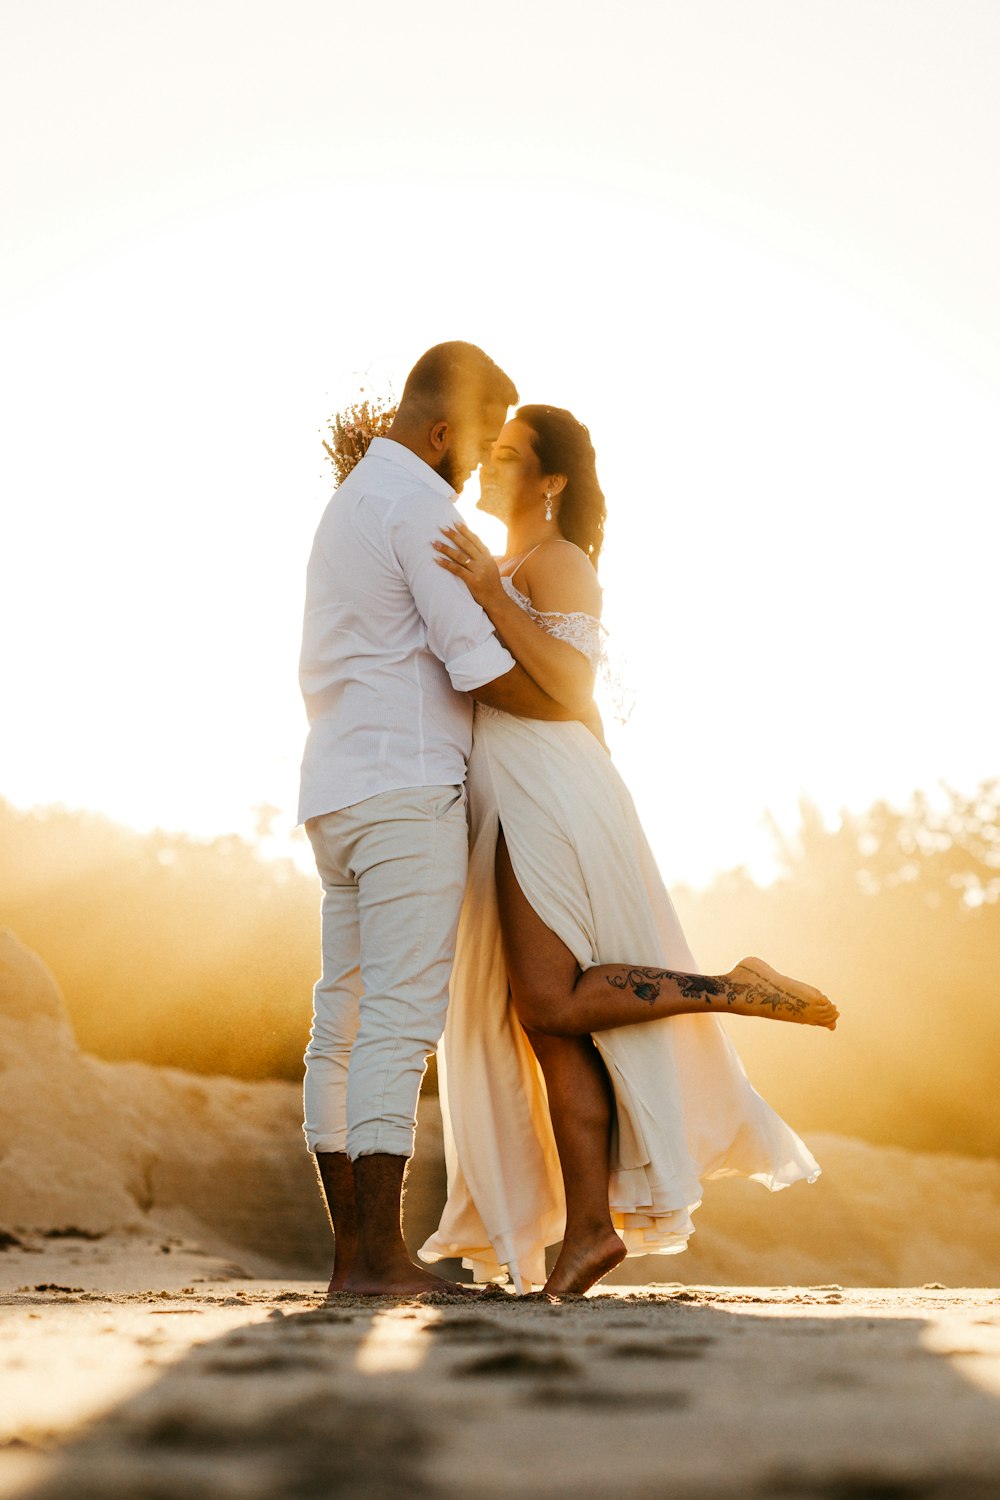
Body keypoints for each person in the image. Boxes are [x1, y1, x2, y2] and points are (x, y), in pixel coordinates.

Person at [419, 404, 839, 1295]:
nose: (488, 469)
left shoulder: (559, 563)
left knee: (550, 1002)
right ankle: (585, 1235)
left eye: (507, 456)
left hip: (547, 790)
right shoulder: (517, 561)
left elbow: (571, 687)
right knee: (548, 1022)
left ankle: (734, 988)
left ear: (553, 479)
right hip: (524, 787)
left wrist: (491, 596)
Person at [298, 346, 592, 1298]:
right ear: (439, 433)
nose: (471, 472)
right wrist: (564, 709)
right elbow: (475, 662)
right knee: (395, 1024)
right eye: (471, 450)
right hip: (407, 790)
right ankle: (381, 1259)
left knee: (337, 1024)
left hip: (336, 790)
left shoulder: (350, 503)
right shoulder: (422, 508)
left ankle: (351, 1262)